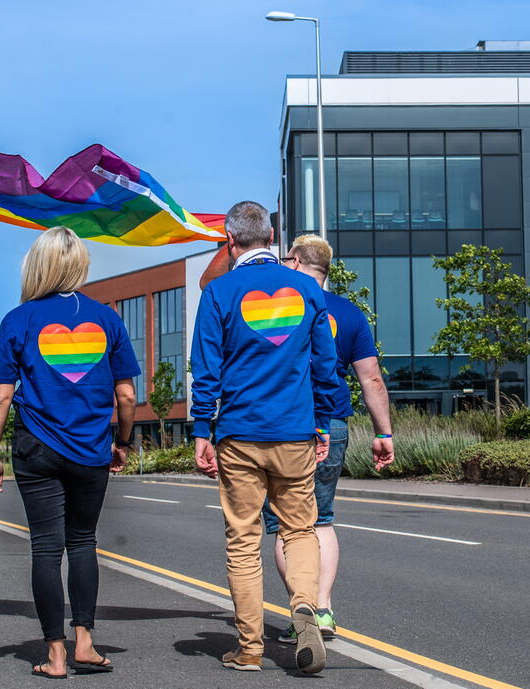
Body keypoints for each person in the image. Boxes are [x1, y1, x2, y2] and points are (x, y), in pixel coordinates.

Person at [0, 226, 139, 679]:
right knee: (84, 542)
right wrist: (122, 443)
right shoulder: (106, 319)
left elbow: (0, 396)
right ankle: (85, 642)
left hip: (37, 446)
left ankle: (54, 654)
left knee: (46, 548)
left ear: (39, 265)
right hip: (91, 448)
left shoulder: (19, 319)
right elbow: (127, 396)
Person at [191, 201, 337, 674]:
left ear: (230, 242)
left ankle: (250, 648)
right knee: (300, 531)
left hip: (239, 434)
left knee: (243, 539)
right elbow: (325, 366)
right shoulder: (307, 290)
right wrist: (322, 424)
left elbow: (206, 370)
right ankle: (304, 608)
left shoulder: (219, 293)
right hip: (295, 431)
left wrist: (200, 431)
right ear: (273, 237)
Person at [261, 234, 395, 643]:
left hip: (287, 424)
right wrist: (383, 432)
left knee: (287, 524)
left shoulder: (279, 307)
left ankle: (301, 609)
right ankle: (323, 609)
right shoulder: (350, 314)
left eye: (287, 258)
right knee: (321, 518)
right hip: (333, 423)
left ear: (297, 262)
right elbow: (370, 378)